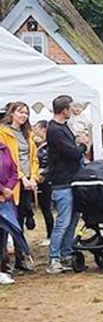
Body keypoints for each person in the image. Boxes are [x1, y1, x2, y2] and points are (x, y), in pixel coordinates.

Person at [46, 95, 87, 274]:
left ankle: (66, 253)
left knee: (72, 219)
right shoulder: (55, 130)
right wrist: (83, 146)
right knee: (63, 222)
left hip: (72, 179)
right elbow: (71, 153)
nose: (72, 111)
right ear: (64, 110)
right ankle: (54, 258)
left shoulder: (63, 128)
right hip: (62, 181)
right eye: (70, 108)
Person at [0, 102, 39, 273]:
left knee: (22, 218)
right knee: (8, 221)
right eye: (20, 112)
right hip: (12, 182)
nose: (23, 115)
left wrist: (33, 177)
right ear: (12, 113)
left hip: (27, 183)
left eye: (26, 112)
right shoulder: (4, 133)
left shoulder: (28, 134)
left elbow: (33, 158)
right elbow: (8, 161)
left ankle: (21, 258)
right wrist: (21, 177)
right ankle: (4, 260)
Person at [0, 133, 30, 284]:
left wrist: (8, 189)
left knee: (3, 234)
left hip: (6, 198)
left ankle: (1, 269)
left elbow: (14, 170)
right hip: (2, 194)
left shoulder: (5, 149)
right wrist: (1, 189)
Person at [33, 120, 54, 244]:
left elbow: (50, 163)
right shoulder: (41, 145)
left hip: (46, 180)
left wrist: (43, 173)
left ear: (43, 129)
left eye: (37, 128)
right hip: (41, 178)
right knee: (44, 207)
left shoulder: (49, 146)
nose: (35, 130)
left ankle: (51, 234)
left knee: (46, 207)